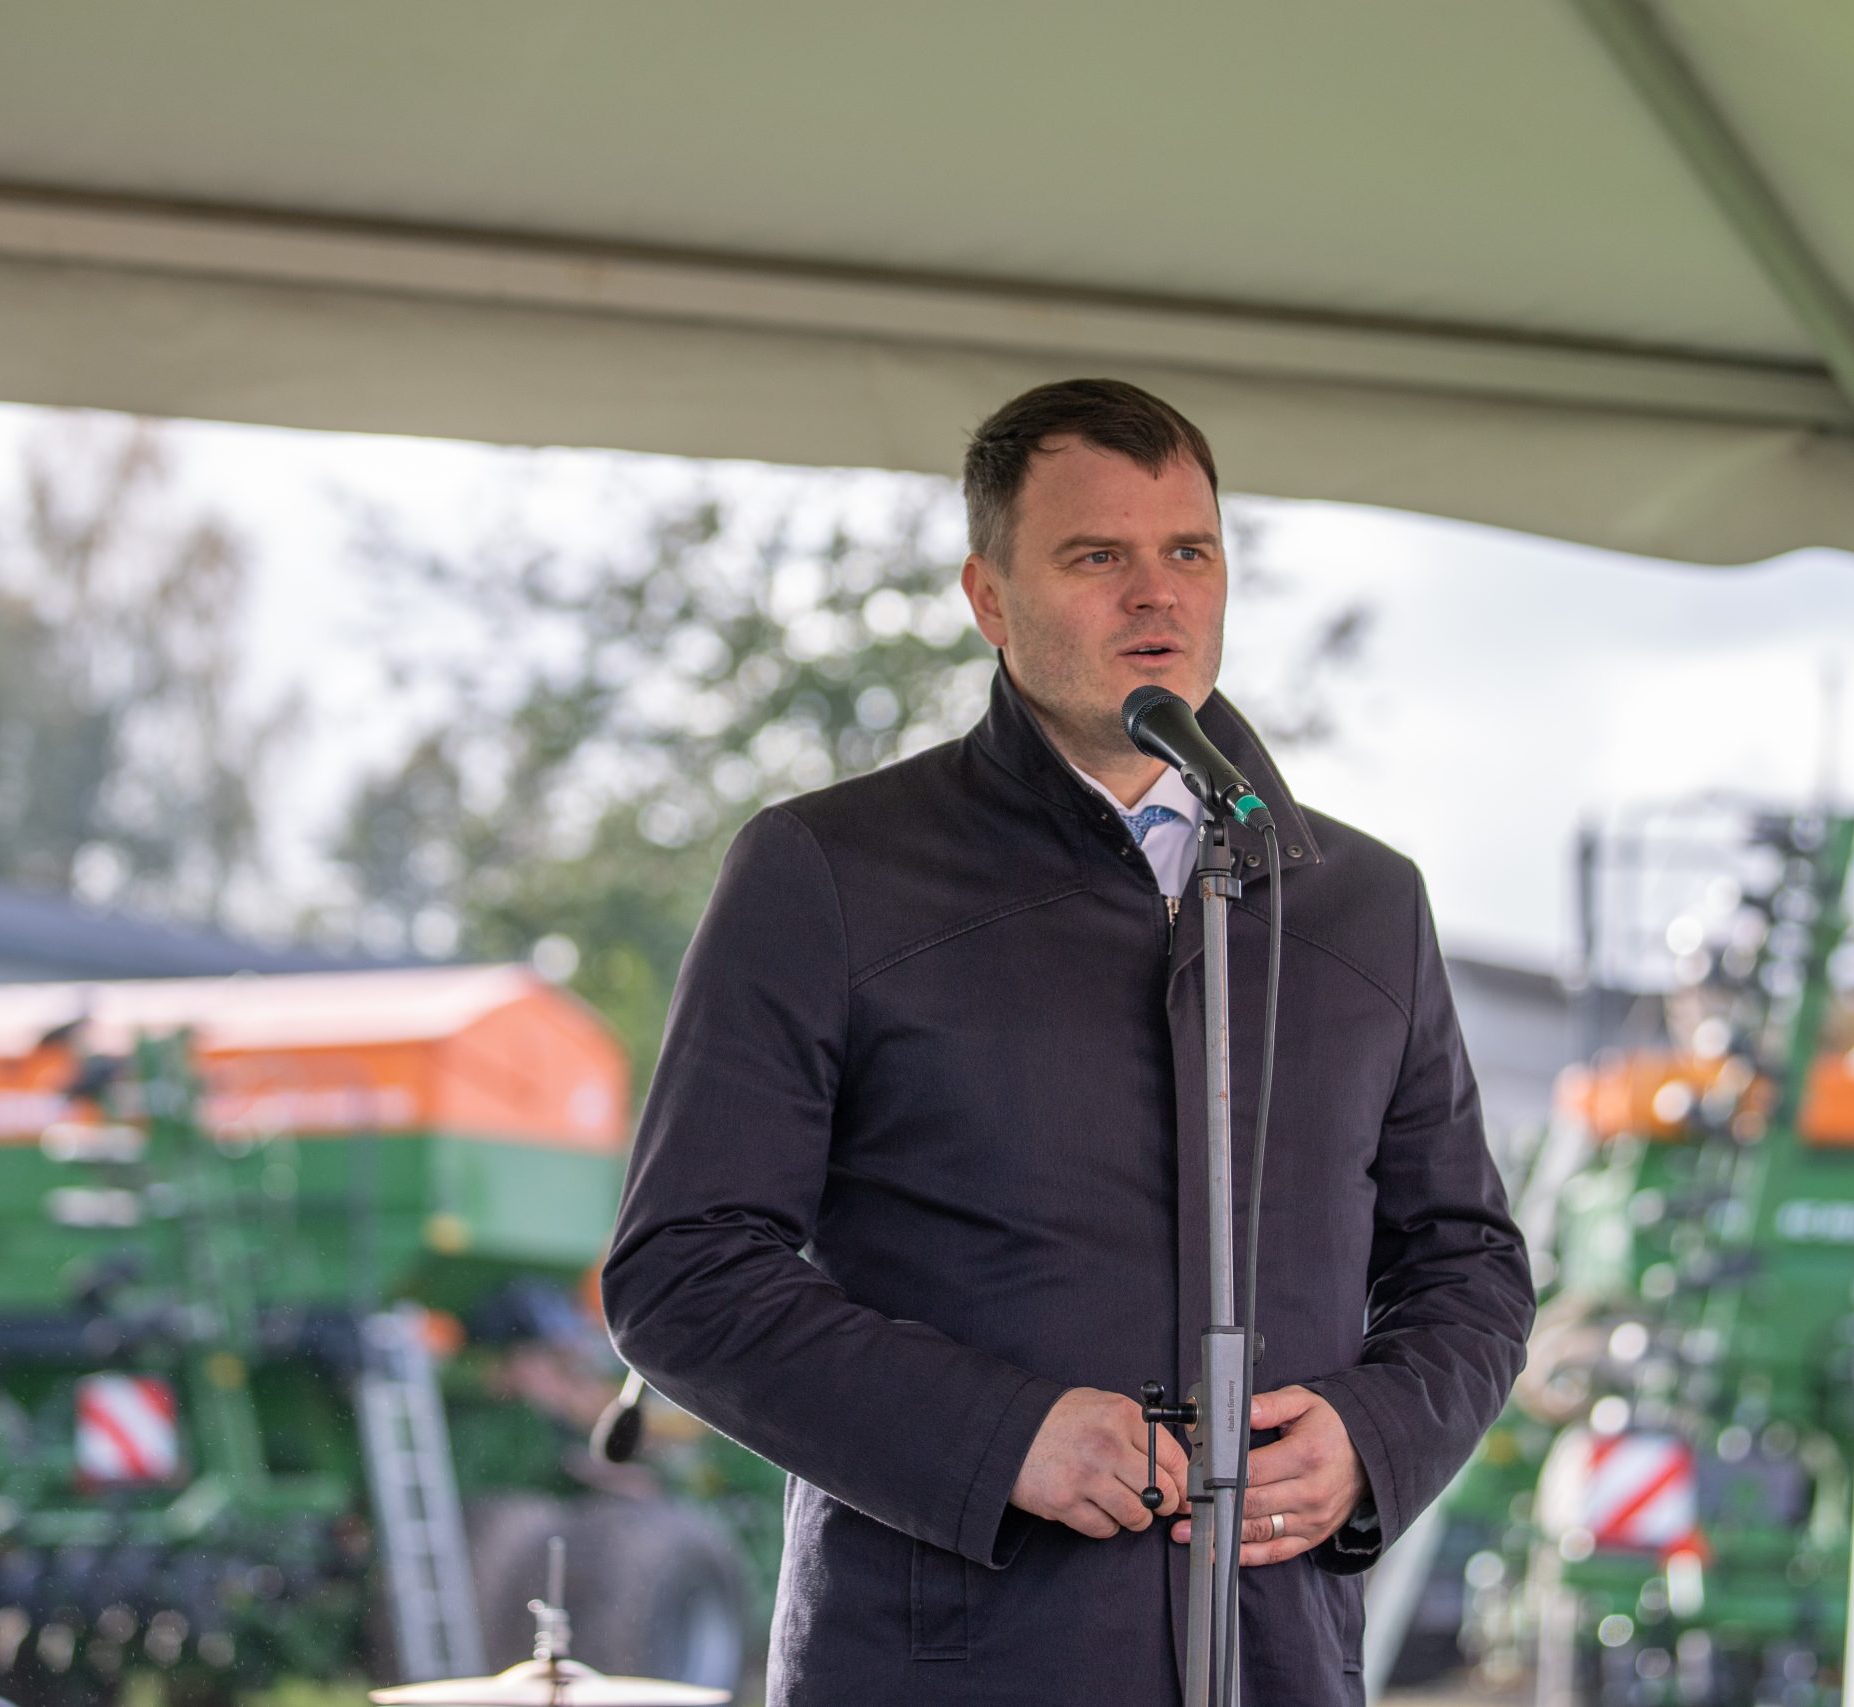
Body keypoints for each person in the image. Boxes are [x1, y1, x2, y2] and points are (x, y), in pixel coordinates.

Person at [600, 377, 1534, 1706]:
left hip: (1278, 1661)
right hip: (945, 1671)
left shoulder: (1366, 906)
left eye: (1191, 554)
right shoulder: (830, 872)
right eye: (1098, 557)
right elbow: (683, 1272)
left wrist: (1371, 1439)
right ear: (989, 597)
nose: (1157, 596)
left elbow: (1470, 1266)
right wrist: (1004, 1438)